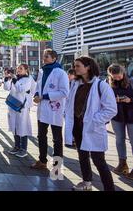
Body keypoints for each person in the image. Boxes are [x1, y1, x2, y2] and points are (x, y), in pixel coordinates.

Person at [64, 57, 117, 191]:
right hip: (77, 127)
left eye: (77, 66)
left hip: (92, 128)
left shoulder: (101, 85)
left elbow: (111, 109)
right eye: (74, 66)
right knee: (82, 156)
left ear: (88, 67)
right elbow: (70, 104)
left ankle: (109, 188)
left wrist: (94, 119)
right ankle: (86, 183)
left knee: (99, 161)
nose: (75, 68)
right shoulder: (76, 84)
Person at [31, 49, 69, 170]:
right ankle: (42, 161)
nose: (44, 58)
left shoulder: (60, 73)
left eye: (46, 56)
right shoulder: (42, 71)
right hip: (42, 109)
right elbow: (38, 86)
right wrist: (36, 95)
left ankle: (57, 167)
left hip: (54, 110)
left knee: (57, 139)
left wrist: (45, 97)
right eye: (44, 56)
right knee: (41, 136)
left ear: (54, 58)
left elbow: (64, 92)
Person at [4, 64, 36, 158]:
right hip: (12, 105)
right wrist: (7, 78)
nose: (18, 70)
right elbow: (6, 88)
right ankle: (16, 146)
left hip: (22, 107)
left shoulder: (28, 79)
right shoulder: (15, 78)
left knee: (22, 127)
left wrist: (14, 79)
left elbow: (21, 89)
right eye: (18, 68)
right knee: (14, 126)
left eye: (21, 69)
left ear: (26, 70)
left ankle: (23, 149)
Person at [107, 64, 133, 179]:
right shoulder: (108, 84)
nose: (117, 79)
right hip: (117, 116)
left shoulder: (131, 82)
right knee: (119, 140)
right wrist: (114, 100)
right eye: (114, 77)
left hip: (131, 115)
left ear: (123, 73)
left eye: (119, 76)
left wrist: (130, 99)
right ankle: (122, 163)